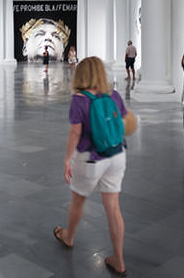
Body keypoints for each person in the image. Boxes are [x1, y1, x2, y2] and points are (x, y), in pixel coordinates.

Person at [53, 56, 137, 277]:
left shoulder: (79, 100)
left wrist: (67, 159)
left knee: (78, 200)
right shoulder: (114, 95)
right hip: (117, 155)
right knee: (113, 207)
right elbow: (126, 122)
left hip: (91, 159)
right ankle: (118, 261)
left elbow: (75, 132)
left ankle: (68, 236)